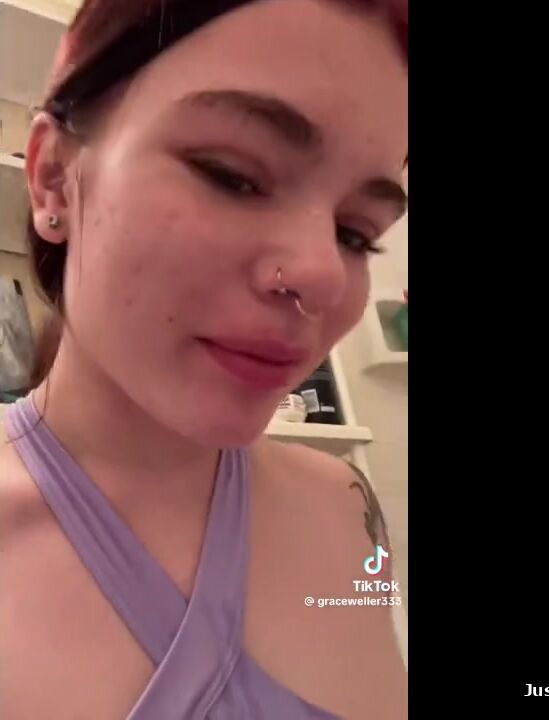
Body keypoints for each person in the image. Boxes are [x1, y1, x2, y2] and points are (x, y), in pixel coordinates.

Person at [0, 1, 408, 718]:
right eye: (232, 176)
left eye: (355, 233)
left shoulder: (348, 509)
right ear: (54, 178)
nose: (322, 274)